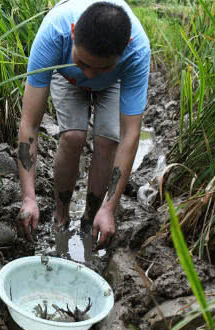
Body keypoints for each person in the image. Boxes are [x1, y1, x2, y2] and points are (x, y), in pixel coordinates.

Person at [15, 0, 150, 249]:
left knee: (108, 141)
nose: (89, 74)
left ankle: (91, 220)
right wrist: (28, 197)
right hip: (66, 75)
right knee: (73, 137)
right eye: (84, 63)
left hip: (113, 84)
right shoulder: (55, 32)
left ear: (126, 49)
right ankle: (61, 214)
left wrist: (110, 209)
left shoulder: (137, 51)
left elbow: (131, 135)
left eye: (101, 67)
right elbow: (30, 123)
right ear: (74, 32)